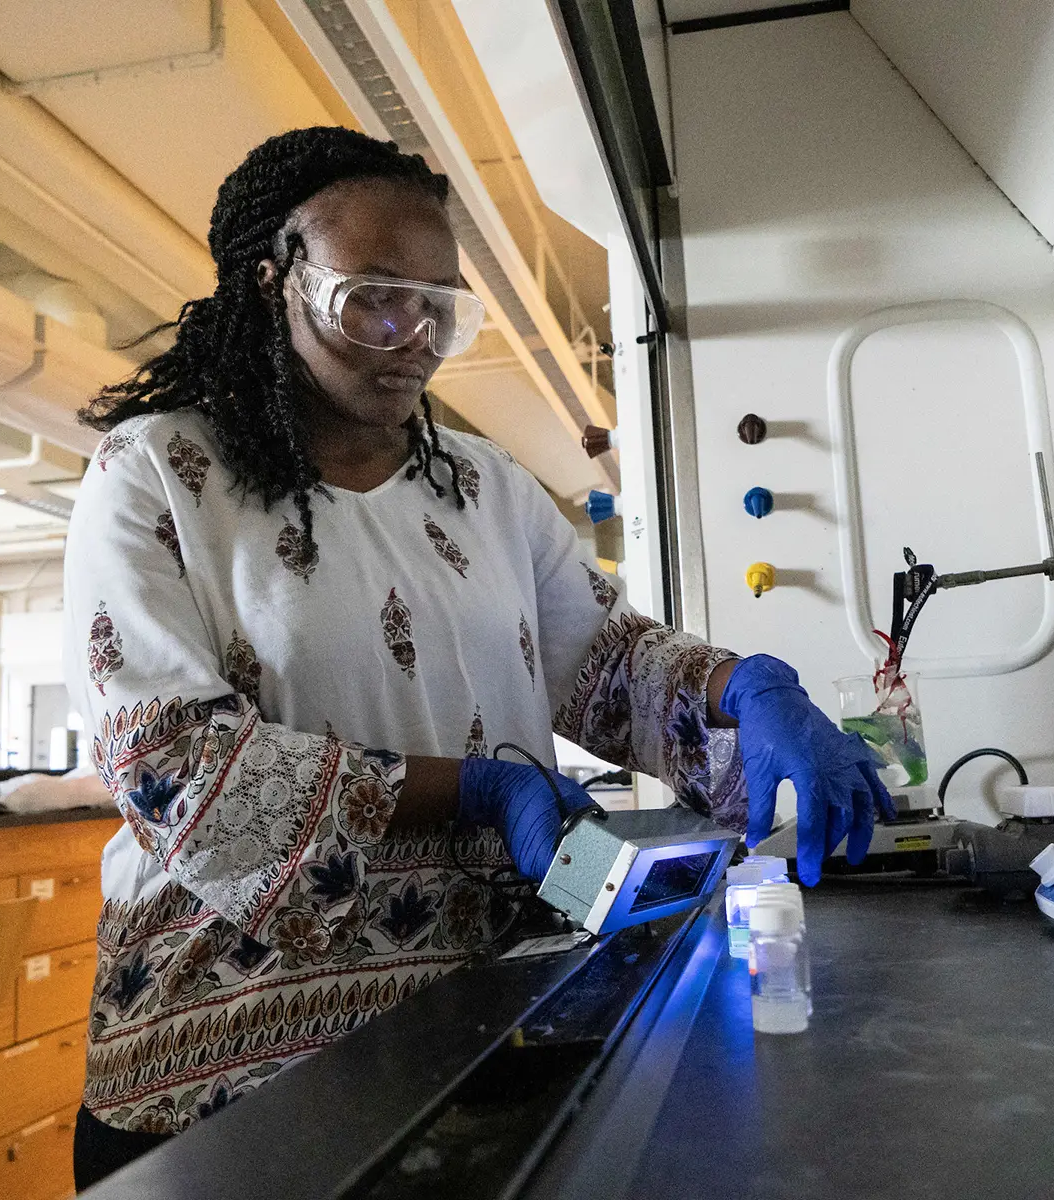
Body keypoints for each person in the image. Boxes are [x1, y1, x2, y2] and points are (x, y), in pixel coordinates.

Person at [62, 127, 890, 1189]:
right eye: (374, 300)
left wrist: (751, 687)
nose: (414, 337)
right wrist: (482, 792)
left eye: (441, 307)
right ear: (274, 284)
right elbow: (174, 770)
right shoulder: (162, 472)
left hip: (476, 1021)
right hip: (232, 1069)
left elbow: (607, 663)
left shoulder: (485, 486)